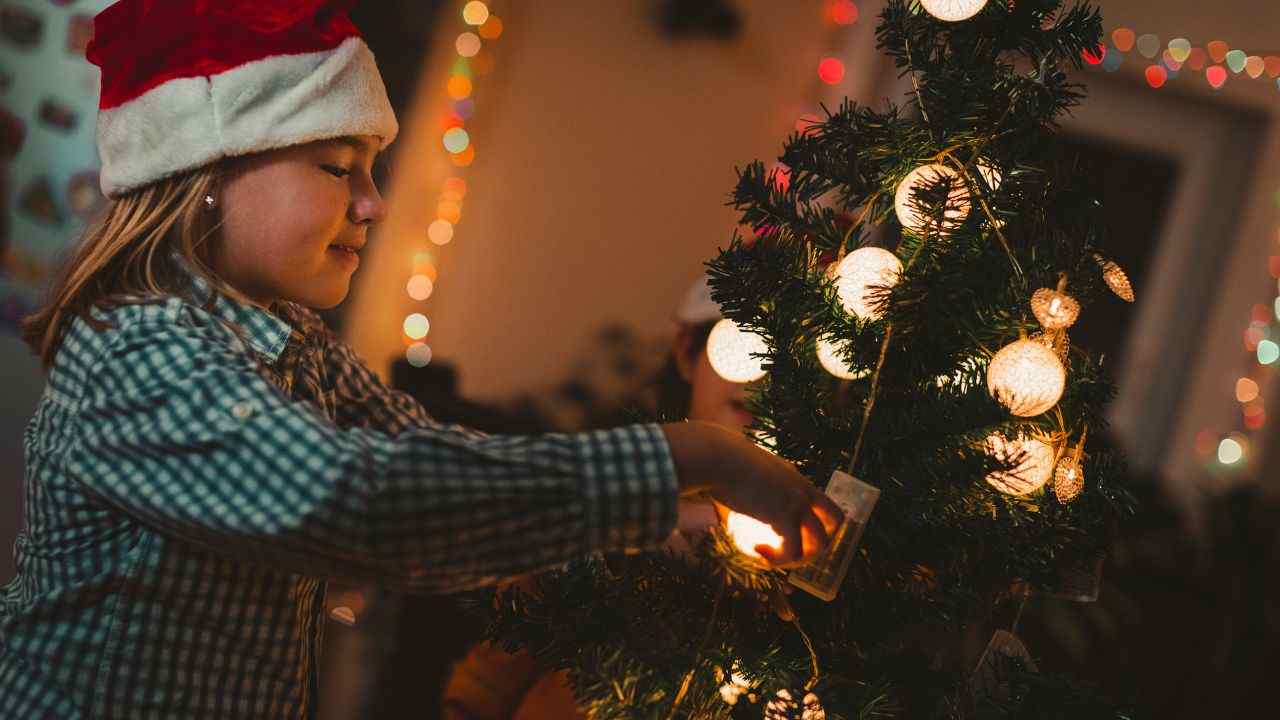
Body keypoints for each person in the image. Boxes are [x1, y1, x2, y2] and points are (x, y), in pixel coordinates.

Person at [0, 3, 842, 718]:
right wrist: (685, 455)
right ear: (207, 173)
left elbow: (449, 467)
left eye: (371, 170)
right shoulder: (136, 348)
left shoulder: (295, 347)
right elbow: (362, 504)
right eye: (337, 167)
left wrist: (675, 522)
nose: (371, 202)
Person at [442, 274, 769, 719]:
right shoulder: (607, 497)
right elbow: (486, 682)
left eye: (787, 354)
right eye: (741, 338)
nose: (759, 371)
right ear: (688, 351)